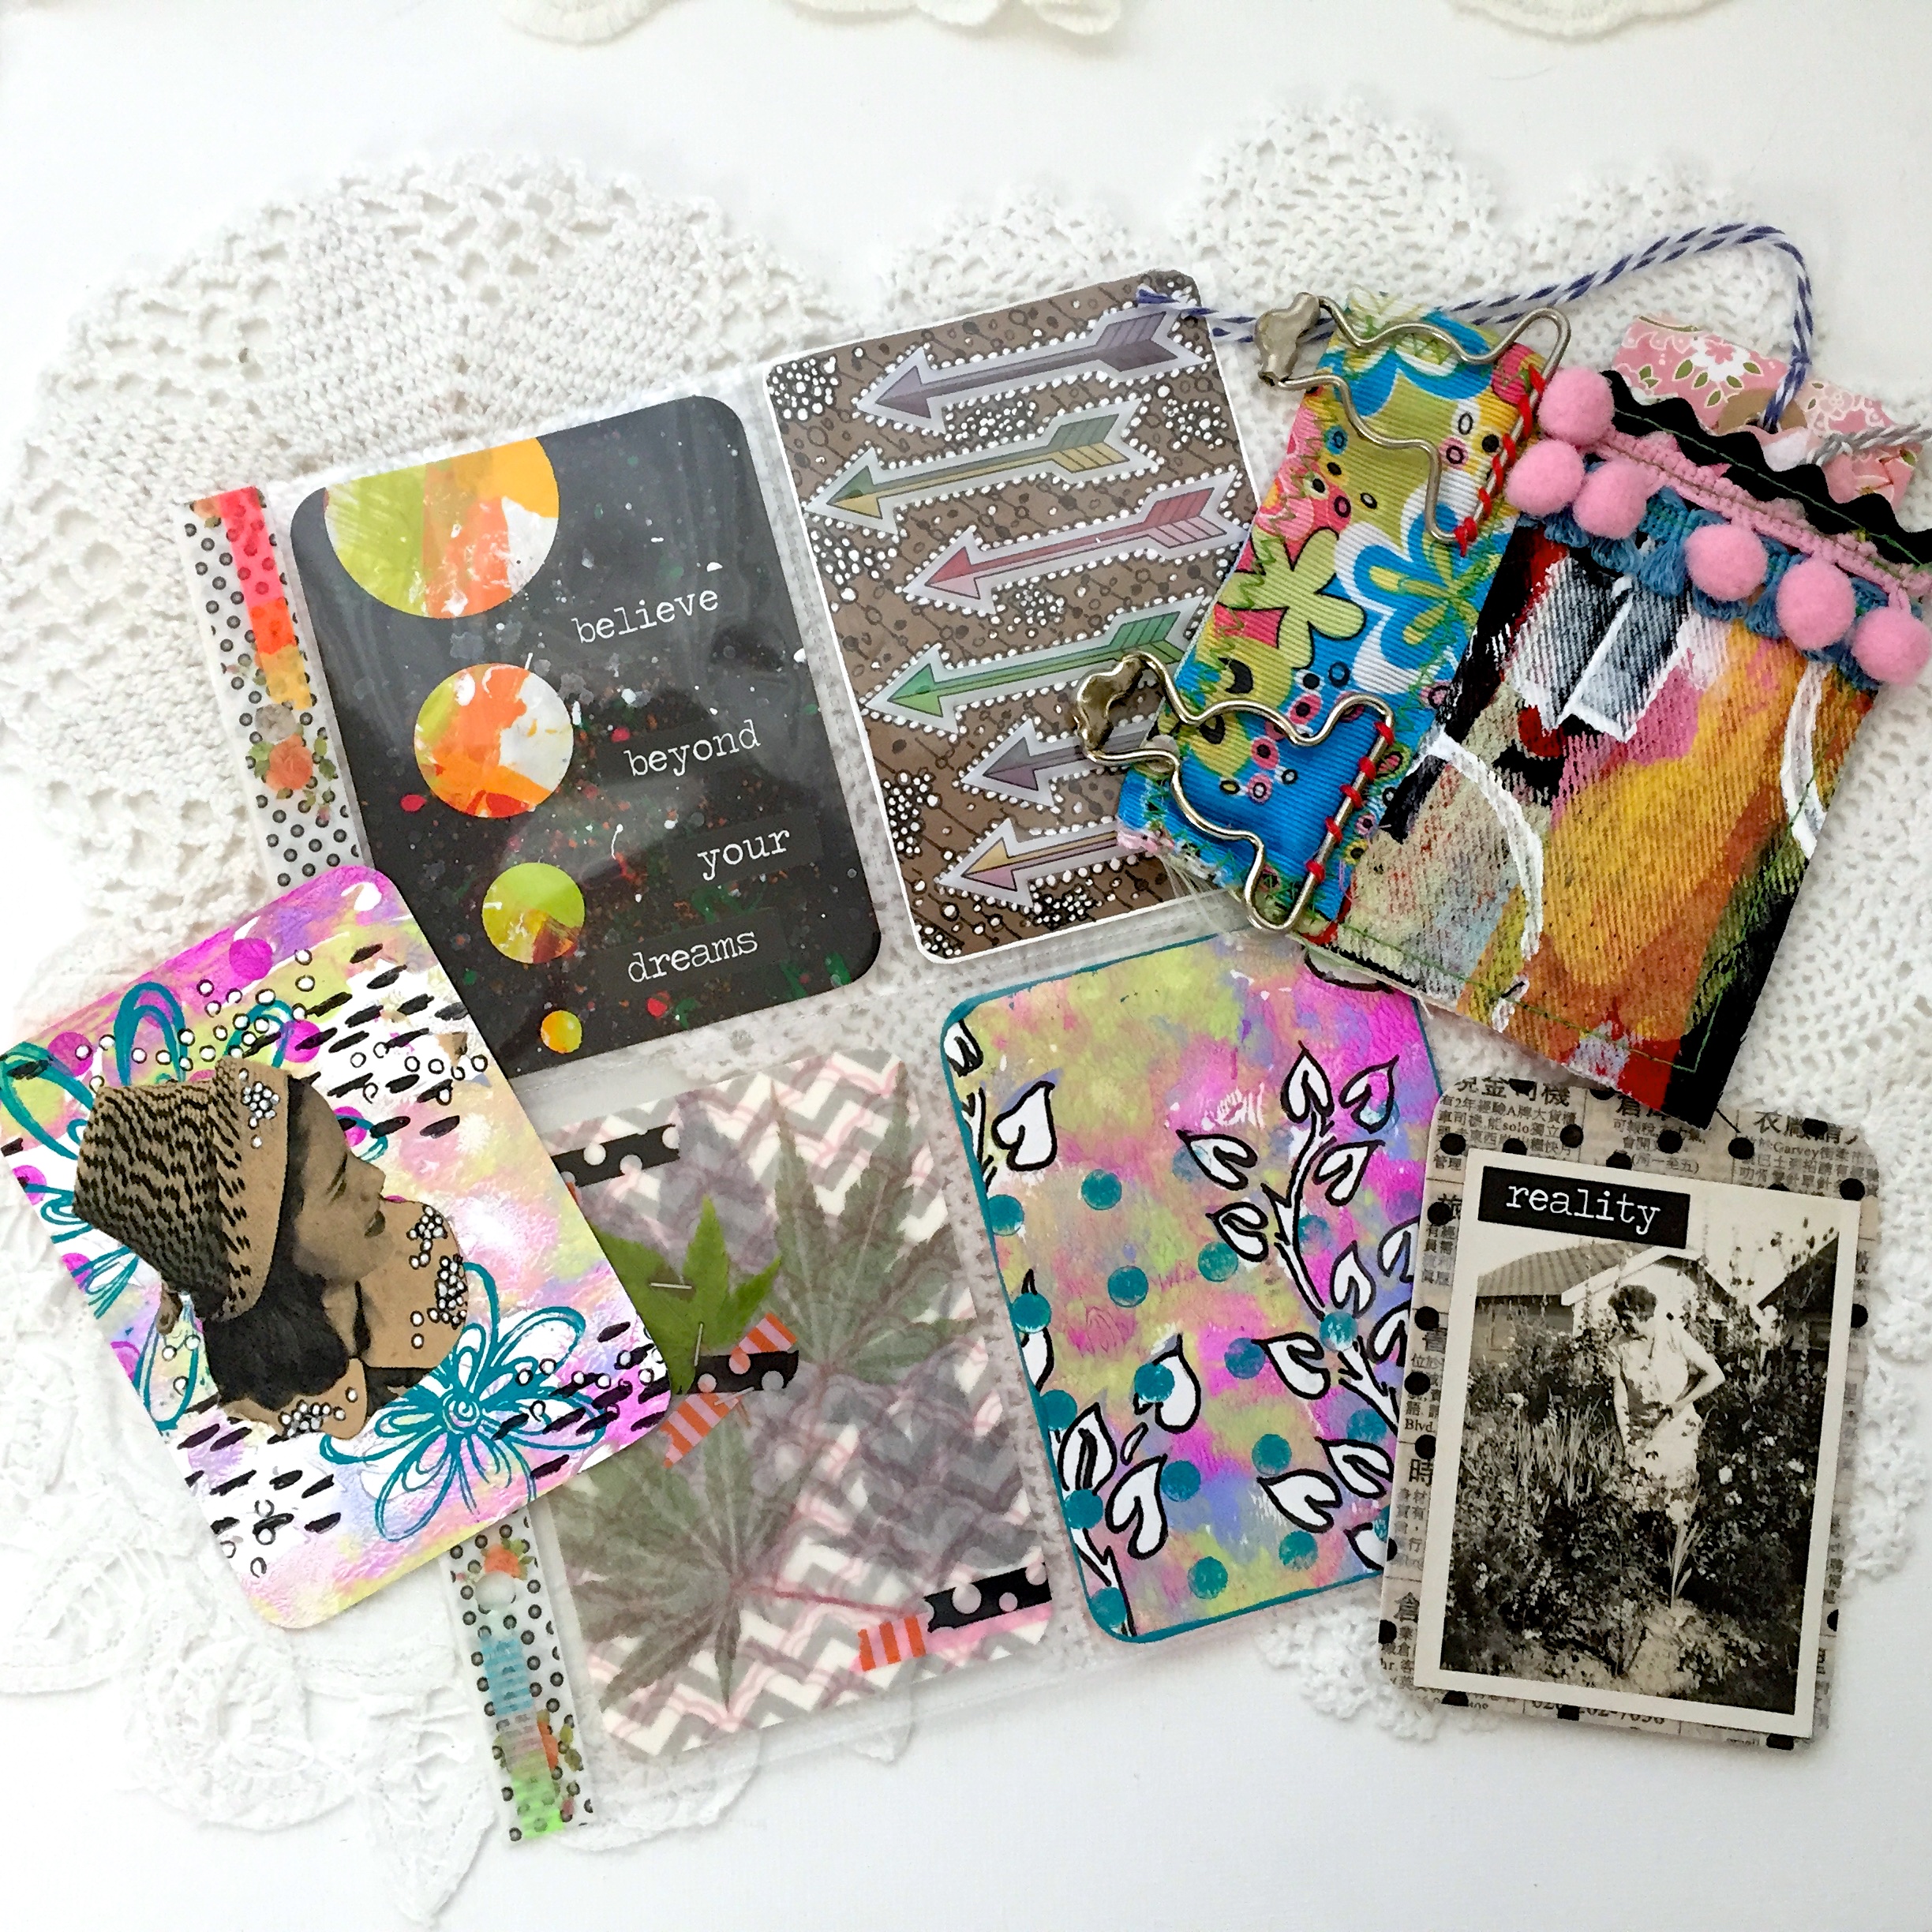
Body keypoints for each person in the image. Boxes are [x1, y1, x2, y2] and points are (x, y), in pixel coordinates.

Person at [72, 1060, 468, 1439]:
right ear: (268, 1258)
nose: (375, 1177)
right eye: (339, 1186)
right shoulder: (256, 1410)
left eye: (350, 1157)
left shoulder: (420, 1249)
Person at [1608, 1276, 1724, 1526]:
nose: (1622, 1324)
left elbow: (1715, 1375)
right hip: (1641, 1435)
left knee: (1677, 1506)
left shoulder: (1673, 1336)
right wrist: (1628, 1442)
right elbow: (1620, 1397)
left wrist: (1683, 1403)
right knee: (1641, 1506)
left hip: (1678, 1433)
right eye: (1619, 1317)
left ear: (1644, 1314)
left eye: (1627, 1317)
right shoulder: (1618, 1347)